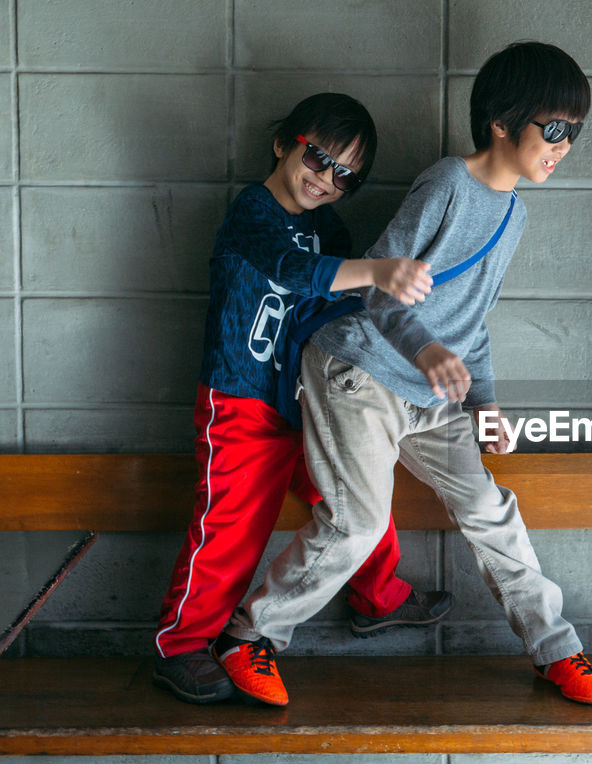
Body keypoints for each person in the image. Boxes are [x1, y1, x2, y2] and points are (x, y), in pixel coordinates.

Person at [220, 42, 592, 707]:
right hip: (360, 370)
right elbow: (377, 283)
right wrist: (426, 350)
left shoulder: (514, 214)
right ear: (501, 122)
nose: (563, 145)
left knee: (491, 509)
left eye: (573, 132)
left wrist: (484, 404)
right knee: (358, 523)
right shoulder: (447, 184)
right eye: (554, 128)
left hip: (431, 394)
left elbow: (470, 319)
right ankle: (249, 636)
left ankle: (556, 650)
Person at [152, 93, 453, 705]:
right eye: (319, 157)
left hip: (305, 403)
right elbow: (292, 269)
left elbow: (336, 304)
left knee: (352, 500)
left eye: (347, 175)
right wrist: (373, 271)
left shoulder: (329, 229)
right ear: (284, 142)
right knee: (229, 529)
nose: (327, 179)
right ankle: (180, 647)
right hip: (239, 402)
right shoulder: (251, 212)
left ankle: (379, 599)